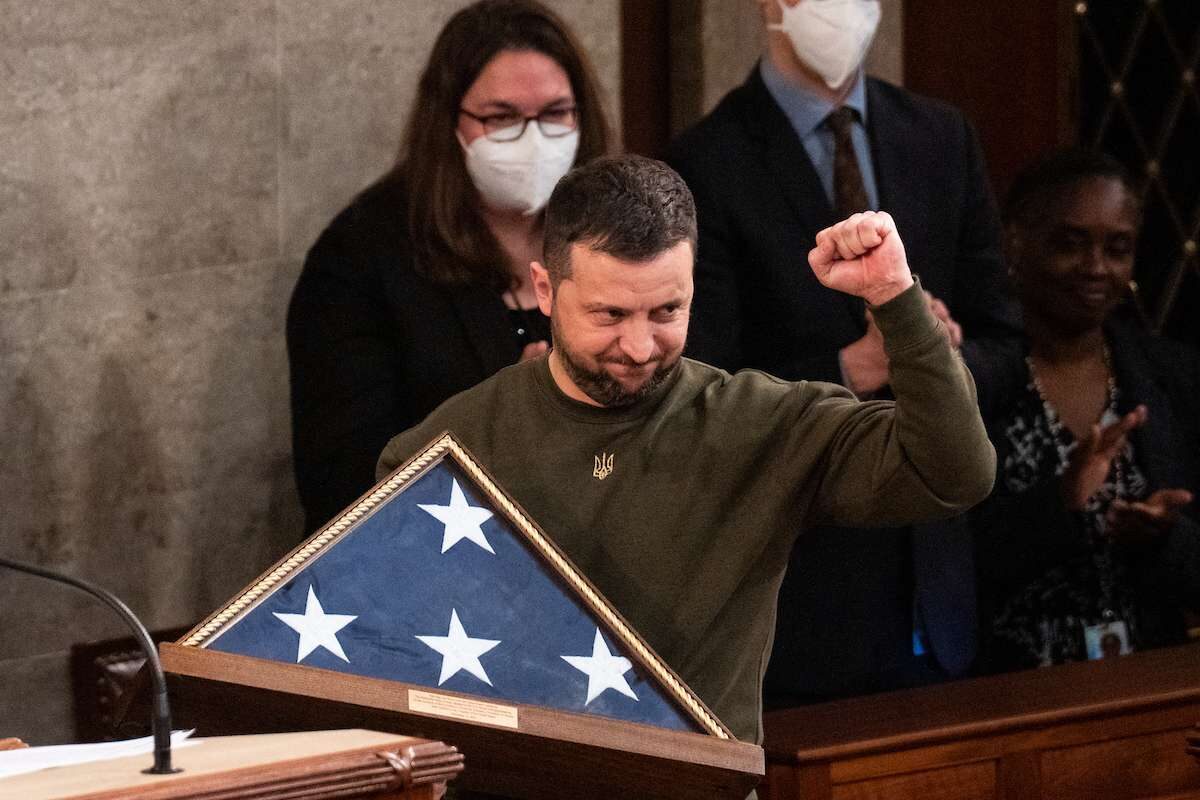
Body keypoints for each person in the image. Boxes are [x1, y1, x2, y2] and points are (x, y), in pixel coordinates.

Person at [377, 154, 996, 744]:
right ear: (545, 289)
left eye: (667, 310)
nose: (640, 346)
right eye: (610, 314)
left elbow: (953, 472)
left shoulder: (760, 422)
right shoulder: (442, 450)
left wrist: (895, 297)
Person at [666, 0, 1024, 703]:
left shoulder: (939, 136)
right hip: (803, 589)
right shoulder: (706, 160)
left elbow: (1008, 346)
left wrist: (941, 359)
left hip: (943, 581)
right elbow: (698, 386)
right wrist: (848, 369)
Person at [287, 0, 612, 535]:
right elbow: (341, 483)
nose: (533, 139)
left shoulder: (617, 231)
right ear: (449, 123)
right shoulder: (360, 260)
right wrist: (511, 418)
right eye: (502, 117)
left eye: (555, 113)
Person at [973, 148, 1200, 672]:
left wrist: (1165, 536)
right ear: (1016, 242)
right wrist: (1060, 504)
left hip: (1149, 687)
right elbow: (947, 571)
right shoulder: (974, 380)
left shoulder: (1171, 377)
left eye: (1117, 248)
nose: (1096, 268)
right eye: (1070, 244)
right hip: (1004, 699)